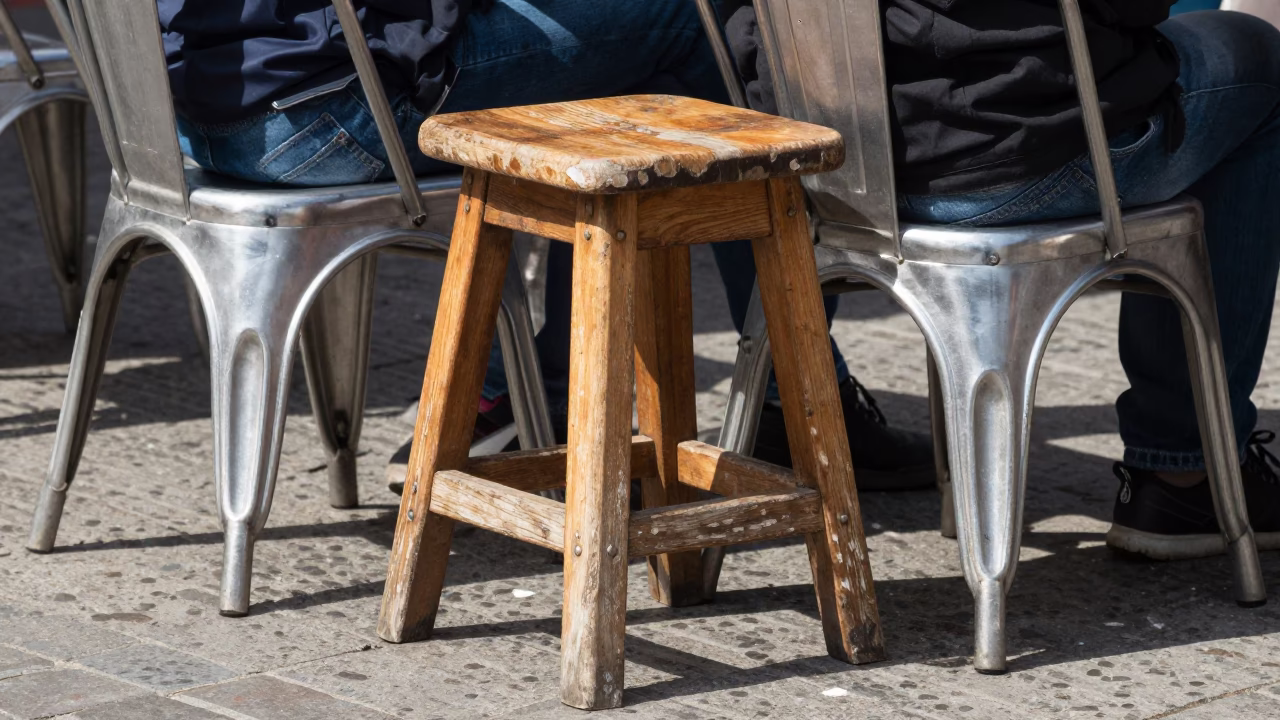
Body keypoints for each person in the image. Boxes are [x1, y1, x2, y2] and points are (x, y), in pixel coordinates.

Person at [158, 0, 937, 496]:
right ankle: (799, 395)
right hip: (329, 105)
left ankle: (548, 388)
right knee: (692, 21)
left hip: (210, 118)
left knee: (607, 43)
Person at [726, 0, 1280, 560]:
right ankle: (1185, 472)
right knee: (1260, 56)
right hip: (1011, 148)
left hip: (825, 155)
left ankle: (1182, 470)